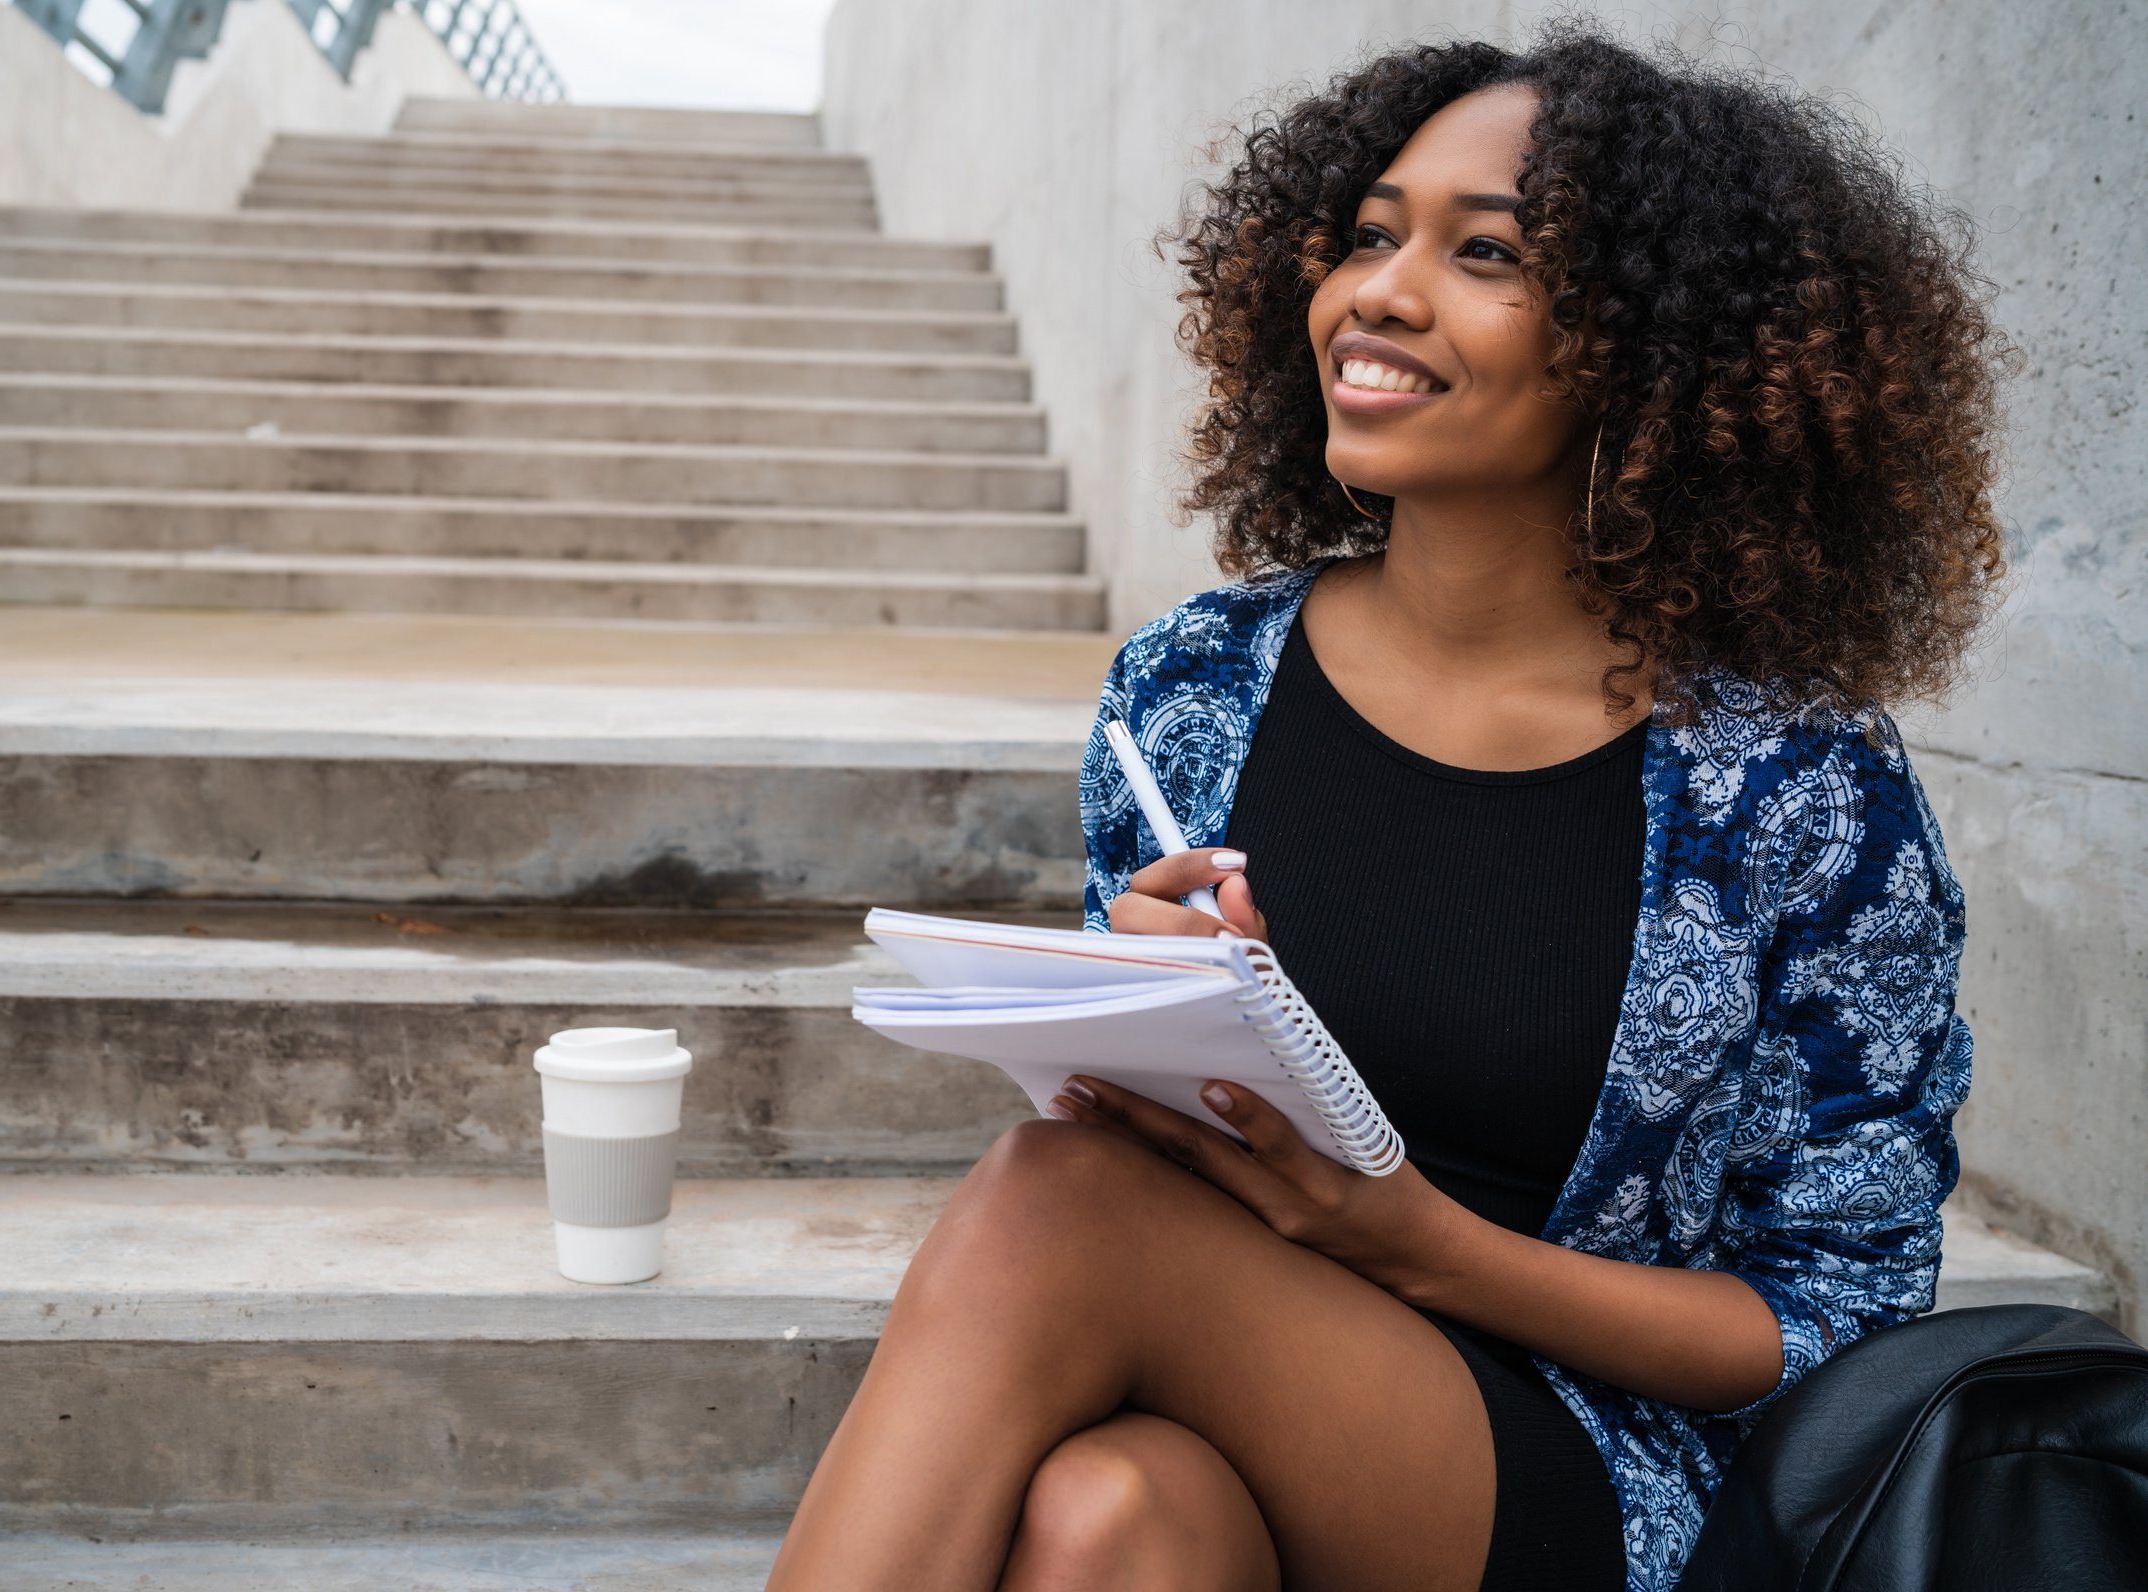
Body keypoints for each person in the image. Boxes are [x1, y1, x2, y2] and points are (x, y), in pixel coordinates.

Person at [766, 23, 2007, 1592]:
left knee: (1055, 1206)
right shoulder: (1194, 687)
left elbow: (1827, 1318)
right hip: (1243, 1380)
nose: (1379, 292)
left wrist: (1418, 1244)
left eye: (1482, 253)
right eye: (1366, 234)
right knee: (1111, 1516)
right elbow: (1139, 1157)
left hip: (1594, 1462)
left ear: (1652, 350)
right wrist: (1134, 1016)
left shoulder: (1797, 787)